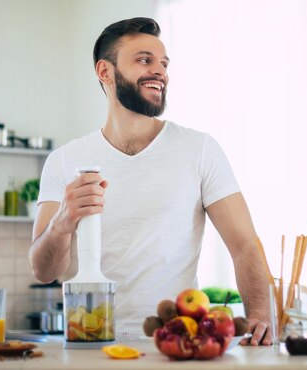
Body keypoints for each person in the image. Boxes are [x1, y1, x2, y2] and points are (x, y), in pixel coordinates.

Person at [28, 17, 271, 345]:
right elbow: (44, 272)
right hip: (89, 343)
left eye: (164, 64)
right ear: (105, 72)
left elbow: (243, 244)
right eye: (144, 60)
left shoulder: (199, 149)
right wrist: (63, 222)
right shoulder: (64, 160)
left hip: (175, 343)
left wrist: (260, 314)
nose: (160, 71)